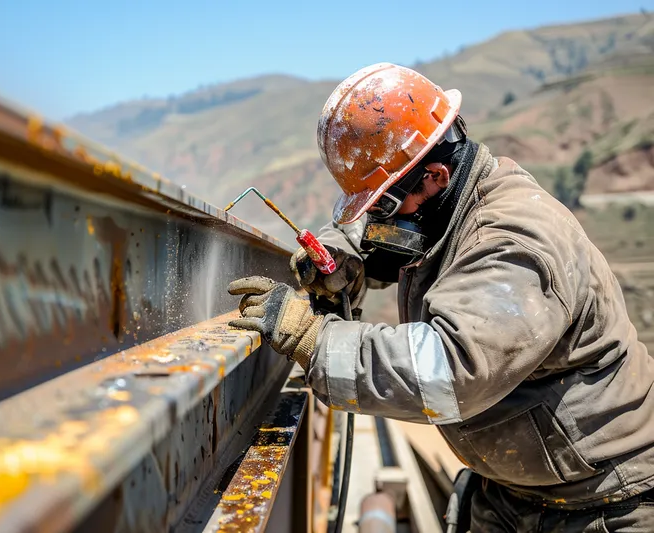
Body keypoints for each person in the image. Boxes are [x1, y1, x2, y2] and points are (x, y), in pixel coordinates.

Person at [227, 63, 654, 532]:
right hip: (513, 495)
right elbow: (374, 231)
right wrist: (341, 255)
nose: (381, 219)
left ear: (435, 174)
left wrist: (315, 340)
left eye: (387, 204)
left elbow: (450, 370)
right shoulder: (447, 204)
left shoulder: (514, 240)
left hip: (603, 506)